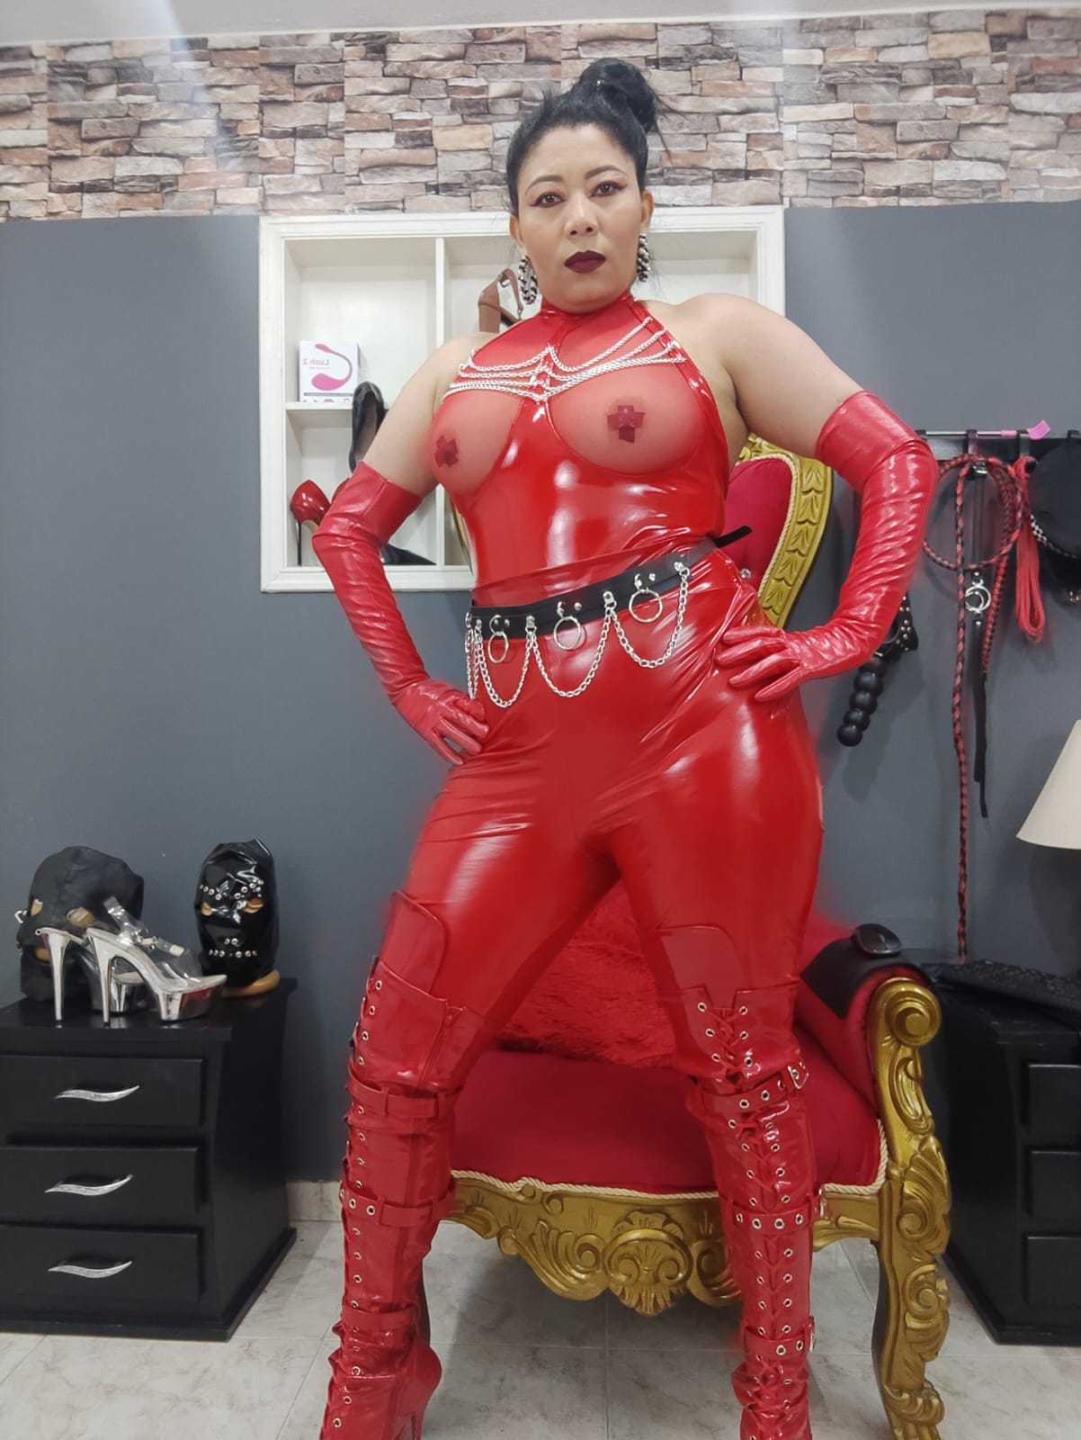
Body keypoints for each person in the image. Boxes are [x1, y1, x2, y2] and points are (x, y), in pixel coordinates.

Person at [311, 57, 937, 1440]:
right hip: (514, 758)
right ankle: (372, 1377)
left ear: (645, 206)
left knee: (742, 1070)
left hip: (700, 737)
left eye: (604, 188)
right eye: (548, 197)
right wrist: (409, 686)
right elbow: (349, 529)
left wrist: (841, 636)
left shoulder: (715, 333)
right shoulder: (456, 369)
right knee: (394, 1060)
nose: (579, 215)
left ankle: (774, 1398)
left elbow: (899, 460)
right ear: (515, 226)